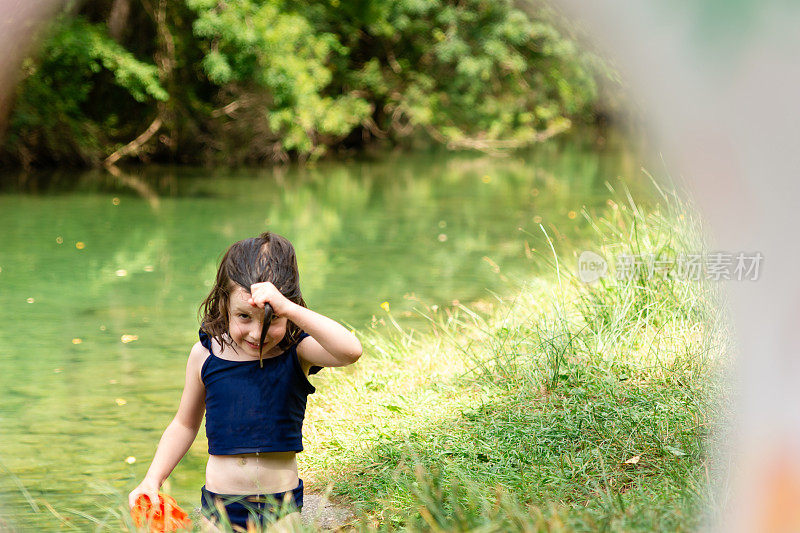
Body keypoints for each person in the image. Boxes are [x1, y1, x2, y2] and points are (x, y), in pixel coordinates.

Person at [128, 232, 362, 532]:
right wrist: (152, 479)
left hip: (280, 505)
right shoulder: (205, 355)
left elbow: (350, 351)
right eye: (244, 316)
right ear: (224, 304)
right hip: (220, 506)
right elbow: (184, 425)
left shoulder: (297, 351)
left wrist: (288, 309)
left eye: (272, 318)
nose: (256, 333)